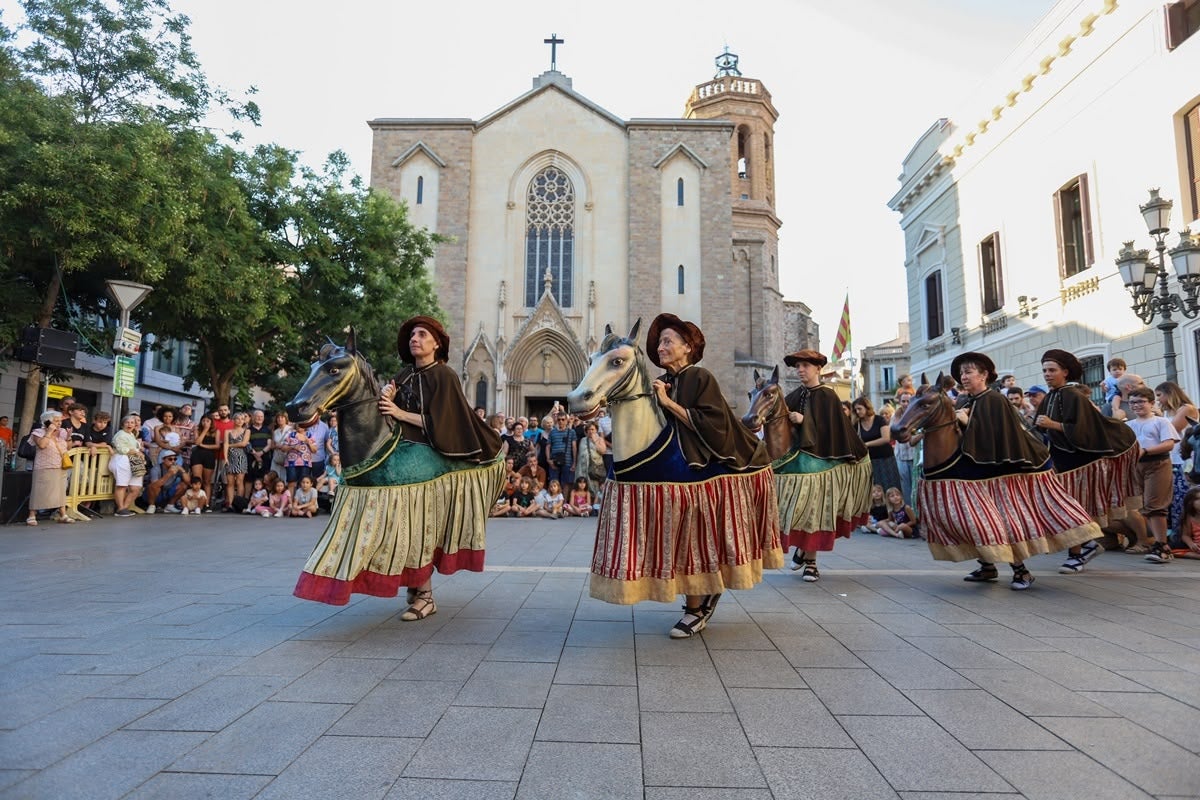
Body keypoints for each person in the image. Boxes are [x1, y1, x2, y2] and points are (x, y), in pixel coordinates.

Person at [293, 316, 505, 621]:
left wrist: (400, 412)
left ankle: (426, 596)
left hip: (434, 450)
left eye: (422, 334)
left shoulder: (444, 375)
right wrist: (385, 401)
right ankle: (411, 582)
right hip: (400, 445)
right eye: (412, 335)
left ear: (436, 343)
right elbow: (380, 412)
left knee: (418, 523)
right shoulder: (403, 375)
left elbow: (445, 423)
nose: (414, 339)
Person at [904, 352, 1101, 590]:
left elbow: (999, 438)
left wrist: (967, 422)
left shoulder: (995, 400)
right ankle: (987, 565)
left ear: (984, 374)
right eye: (961, 374)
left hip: (1003, 473)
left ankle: (1023, 572)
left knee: (999, 522)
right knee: (970, 520)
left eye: (969, 372)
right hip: (972, 469)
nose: (963, 377)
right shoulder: (965, 401)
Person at [637, 313, 779, 637]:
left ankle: (695, 609)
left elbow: (711, 426)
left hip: (712, 467)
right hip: (677, 466)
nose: (661, 346)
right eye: (659, 342)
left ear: (687, 347)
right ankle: (699, 596)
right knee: (680, 536)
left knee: (695, 537)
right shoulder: (663, 382)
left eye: (668, 341)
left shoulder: (700, 377)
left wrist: (666, 403)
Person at [1035, 349, 1138, 573]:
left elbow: (1085, 430)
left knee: (1073, 508)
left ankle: (1078, 553)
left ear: (1065, 372)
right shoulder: (1051, 395)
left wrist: (1054, 425)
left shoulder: (1073, 395)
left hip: (1079, 465)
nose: (1047, 374)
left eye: (1052, 370)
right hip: (1059, 462)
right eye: (1044, 370)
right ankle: (1088, 545)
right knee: (1065, 509)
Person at [774, 349, 871, 581]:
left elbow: (832, 430)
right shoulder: (794, 395)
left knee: (815, 512)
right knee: (796, 509)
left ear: (818, 369)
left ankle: (811, 563)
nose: (800, 370)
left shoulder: (828, 395)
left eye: (805, 366)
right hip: (798, 461)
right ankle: (803, 549)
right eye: (797, 366)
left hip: (823, 464)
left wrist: (804, 420)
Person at [1124, 386, 1181, 564]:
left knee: (1155, 505)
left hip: (1157, 463)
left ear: (1151, 403)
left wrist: (1146, 450)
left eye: (1141, 401)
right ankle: (1156, 542)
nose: (1136, 405)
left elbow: (1168, 444)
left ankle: (1162, 546)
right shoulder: (1129, 425)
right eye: (1133, 402)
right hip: (1136, 466)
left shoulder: (1160, 422)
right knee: (1144, 507)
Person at [1154, 381, 1198, 536]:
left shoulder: (1186, 409)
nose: (1158, 399)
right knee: (1172, 499)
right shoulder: (1167, 413)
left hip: (1184, 460)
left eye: (1159, 395)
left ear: (1169, 393)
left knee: (1182, 498)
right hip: (1171, 459)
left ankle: (1185, 534)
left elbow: (1171, 430)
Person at [26, 410, 73, 526]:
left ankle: (63, 515)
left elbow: (68, 448)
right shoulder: (38, 432)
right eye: (56, 421)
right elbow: (42, 445)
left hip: (60, 465)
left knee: (60, 491)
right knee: (39, 490)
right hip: (44, 466)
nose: (59, 423)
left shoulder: (61, 432)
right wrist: (49, 431)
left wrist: (69, 437)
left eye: (60, 421)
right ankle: (31, 515)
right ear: (47, 421)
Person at [853, 396, 901, 496]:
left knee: (890, 486)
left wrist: (867, 444)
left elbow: (886, 438)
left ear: (867, 407)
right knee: (874, 489)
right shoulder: (857, 424)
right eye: (855, 409)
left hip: (885, 458)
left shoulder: (879, 420)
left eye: (859, 408)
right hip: (869, 460)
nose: (857, 412)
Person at [108, 415, 145, 518]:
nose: (130, 425)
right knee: (122, 485)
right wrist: (135, 451)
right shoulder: (120, 434)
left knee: (136, 487)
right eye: (127, 422)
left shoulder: (132, 435)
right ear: (123, 424)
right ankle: (120, 508)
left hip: (133, 462)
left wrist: (138, 452)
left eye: (132, 423)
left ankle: (124, 507)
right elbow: (121, 449)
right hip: (122, 460)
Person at [893, 392, 920, 505]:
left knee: (917, 485)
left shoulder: (917, 414)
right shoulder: (896, 415)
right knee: (905, 486)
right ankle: (910, 510)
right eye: (903, 401)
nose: (905, 403)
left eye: (908, 401)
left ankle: (919, 510)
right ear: (899, 402)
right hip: (901, 455)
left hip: (915, 454)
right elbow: (893, 432)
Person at [189, 413, 220, 512]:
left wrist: (204, 446)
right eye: (203, 421)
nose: (205, 423)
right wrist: (205, 430)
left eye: (208, 421)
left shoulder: (216, 431)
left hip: (209, 456)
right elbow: (197, 442)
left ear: (211, 422)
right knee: (197, 480)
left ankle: (206, 503)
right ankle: (196, 503)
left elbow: (217, 446)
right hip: (197, 455)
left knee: (207, 481)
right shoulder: (197, 429)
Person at [222, 411, 250, 509]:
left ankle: (238, 503)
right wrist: (225, 458)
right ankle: (230, 503)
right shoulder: (227, 431)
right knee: (230, 482)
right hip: (230, 457)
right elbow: (225, 444)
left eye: (242, 419)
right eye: (237, 418)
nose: (240, 421)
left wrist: (229, 445)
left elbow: (243, 443)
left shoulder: (246, 431)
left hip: (241, 457)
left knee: (239, 481)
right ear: (233, 420)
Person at [1173, 486, 1200, 559]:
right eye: (1198, 499)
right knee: (1170, 548)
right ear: (1190, 502)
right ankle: (1195, 555)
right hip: (1197, 547)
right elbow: (1185, 535)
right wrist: (1191, 544)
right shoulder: (1189, 516)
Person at [246, 409, 272, 485]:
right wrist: (255, 454)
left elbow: (269, 444)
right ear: (253, 417)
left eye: (261, 416)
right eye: (257, 416)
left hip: (265, 456)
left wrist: (261, 453)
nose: (259, 418)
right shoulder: (248, 430)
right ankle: (247, 497)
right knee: (249, 479)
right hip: (251, 456)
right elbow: (247, 443)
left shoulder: (267, 430)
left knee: (264, 478)